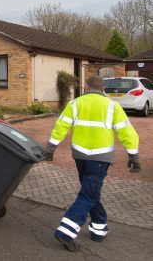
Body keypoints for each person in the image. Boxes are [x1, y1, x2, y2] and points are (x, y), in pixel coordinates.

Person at [43, 75, 140, 252]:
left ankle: (99, 230)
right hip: (100, 158)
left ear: (87, 87)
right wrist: (133, 155)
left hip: (80, 156)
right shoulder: (112, 106)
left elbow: (61, 126)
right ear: (103, 89)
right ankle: (66, 232)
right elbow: (127, 132)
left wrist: (51, 147)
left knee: (90, 192)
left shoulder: (75, 104)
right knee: (89, 194)